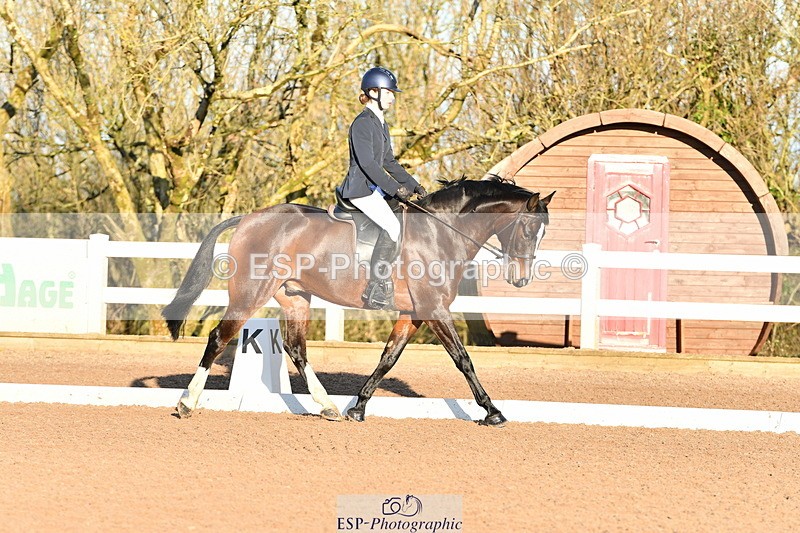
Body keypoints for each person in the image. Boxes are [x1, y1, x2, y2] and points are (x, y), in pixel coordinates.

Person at [338, 66, 427, 310]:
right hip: (360, 189)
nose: (393, 97)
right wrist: (395, 188)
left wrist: (413, 185)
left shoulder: (381, 124)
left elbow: (388, 161)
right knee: (392, 225)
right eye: (389, 92)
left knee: (405, 217)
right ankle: (376, 284)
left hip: (374, 188)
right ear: (374, 91)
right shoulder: (362, 124)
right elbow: (367, 163)